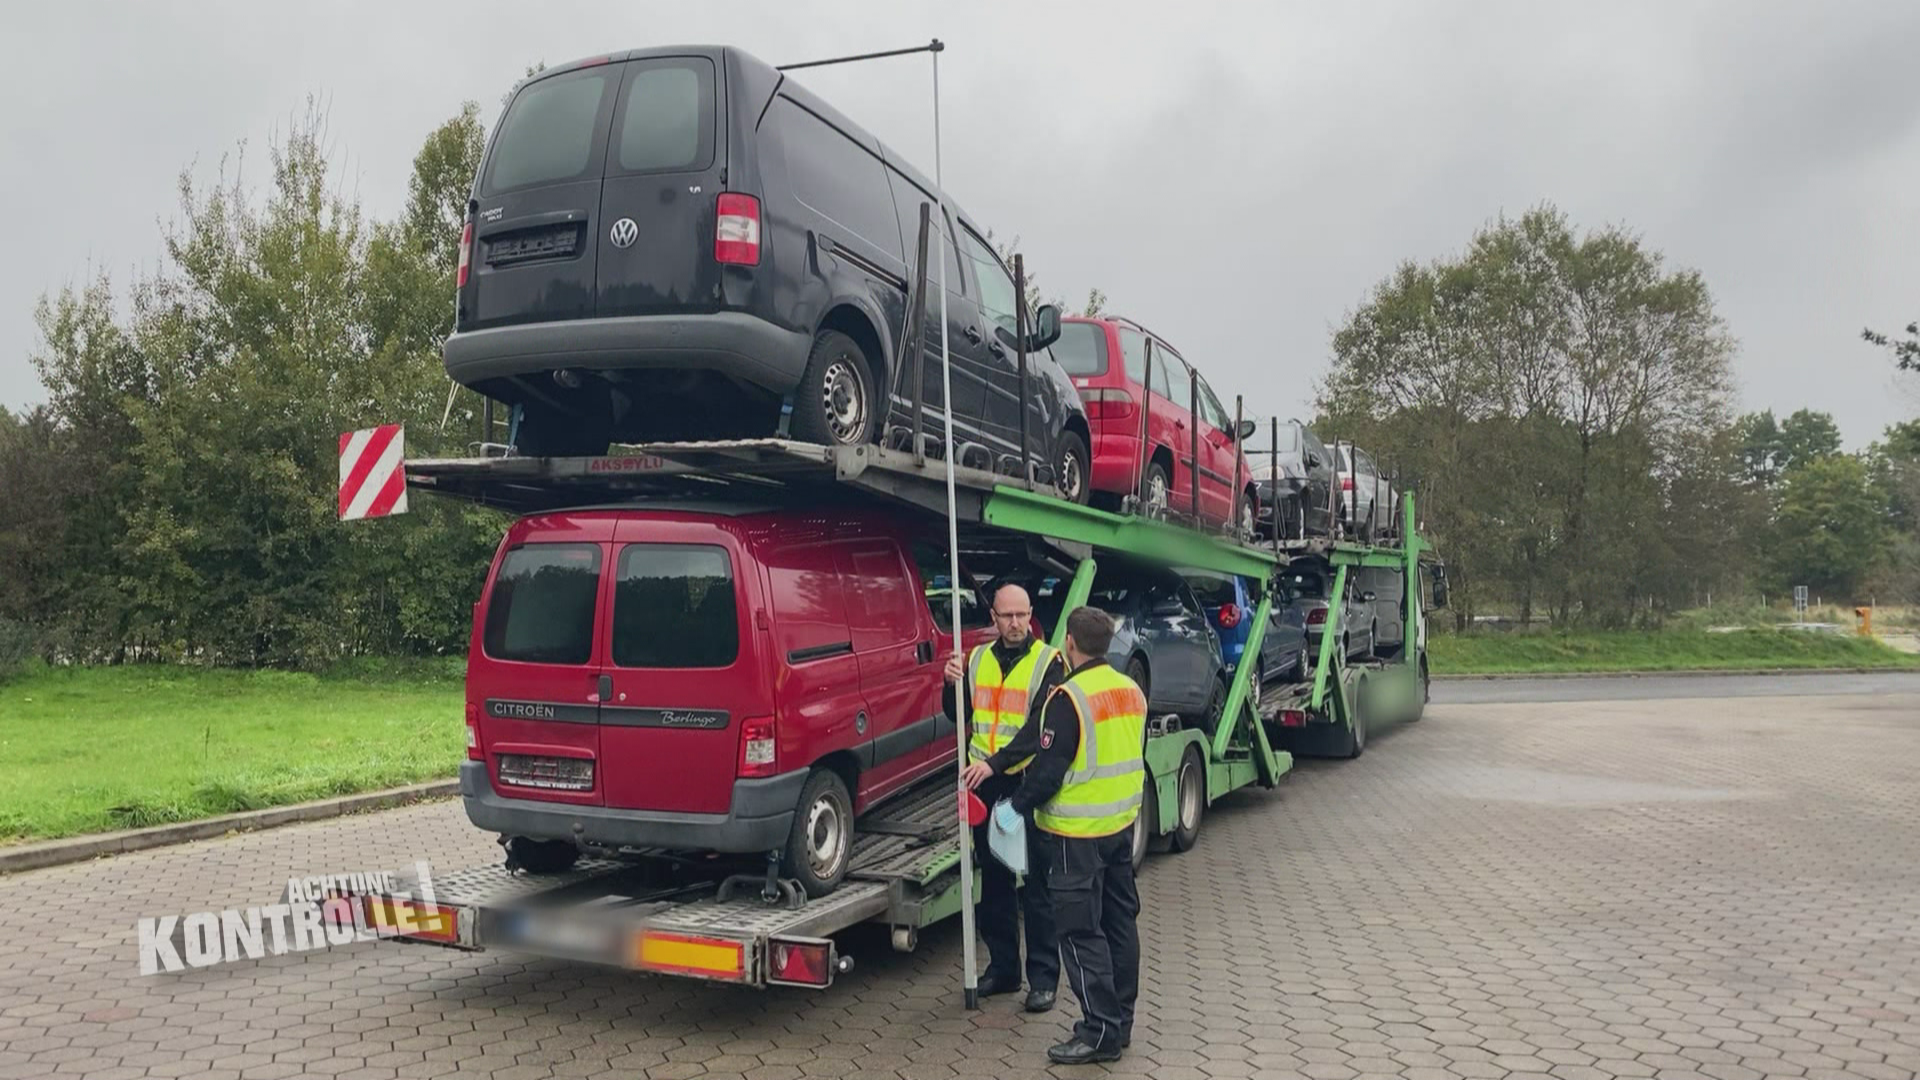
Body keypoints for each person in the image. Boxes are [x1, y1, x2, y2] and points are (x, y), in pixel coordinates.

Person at [1005, 604, 1148, 1065]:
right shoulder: (1130, 689)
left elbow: (1048, 772)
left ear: (1069, 643)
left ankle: (1099, 1032)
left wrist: (1016, 806)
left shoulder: (1068, 698)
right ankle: (1120, 1022)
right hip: (1120, 828)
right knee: (1119, 923)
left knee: (1080, 933)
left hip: (1075, 837)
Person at [942, 582, 1067, 1013]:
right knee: (993, 880)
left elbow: (1038, 729)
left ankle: (1044, 978)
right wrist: (949, 683)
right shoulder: (975, 659)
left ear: (1031, 613)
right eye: (1006, 616)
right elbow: (959, 714)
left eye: (1021, 615)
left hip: (1025, 783)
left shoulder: (1049, 663)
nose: (1015, 624)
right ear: (992, 617)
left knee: (1036, 884)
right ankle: (1003, 969)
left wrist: (994, 763)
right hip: (985, 785)